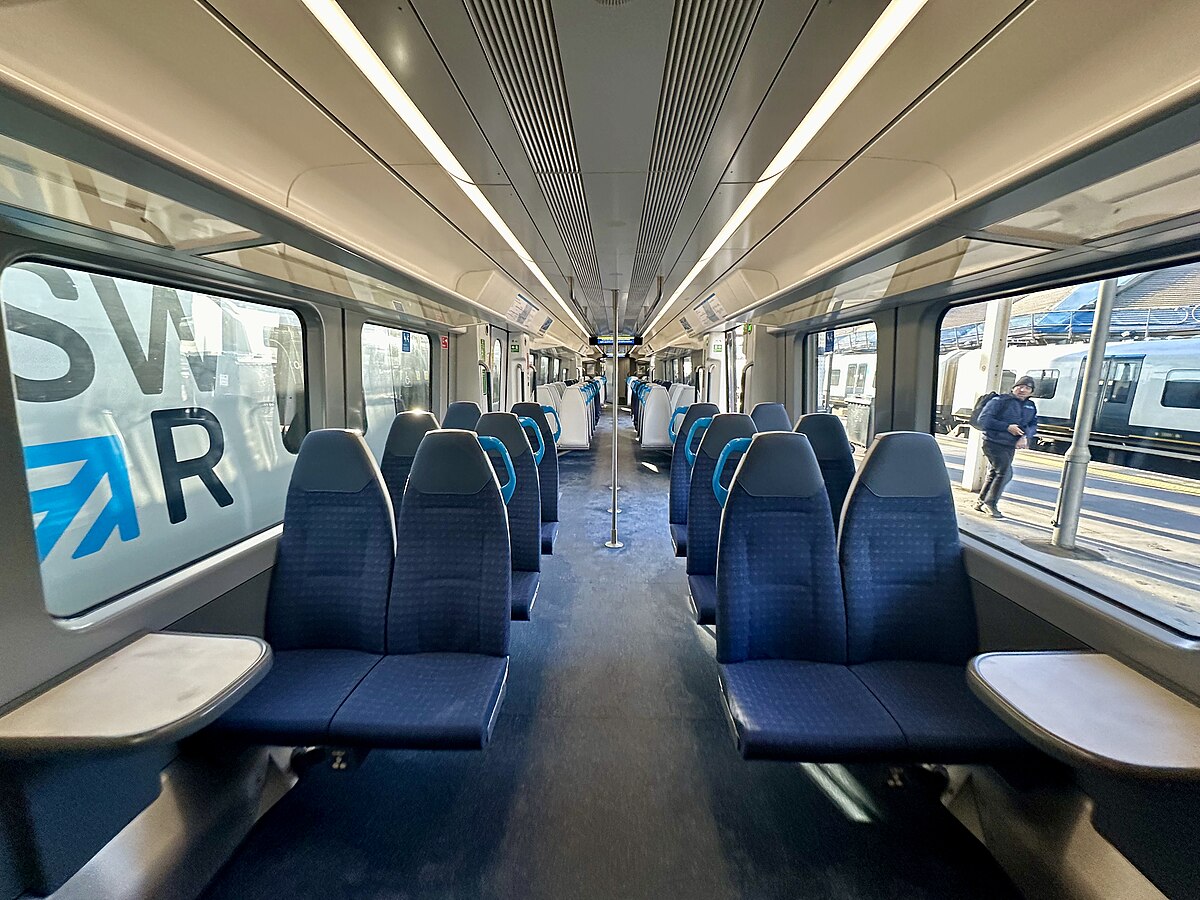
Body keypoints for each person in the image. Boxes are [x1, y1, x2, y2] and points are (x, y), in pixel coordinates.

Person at [974, 375, 1038, 518]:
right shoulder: (1000, 401)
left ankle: (980, 501)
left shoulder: (1030, 406)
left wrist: (1025, 436)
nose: (1022, 390)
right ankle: (990, 504)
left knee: (995, 473)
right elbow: (983, 420)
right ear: (1013, 388)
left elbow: (1033, 424)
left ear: (1031, 392)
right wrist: (1007, 427)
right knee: (1005, 473)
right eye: (1020, 386)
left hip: (1010, 445)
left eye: (1027, 388)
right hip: (993, 443)